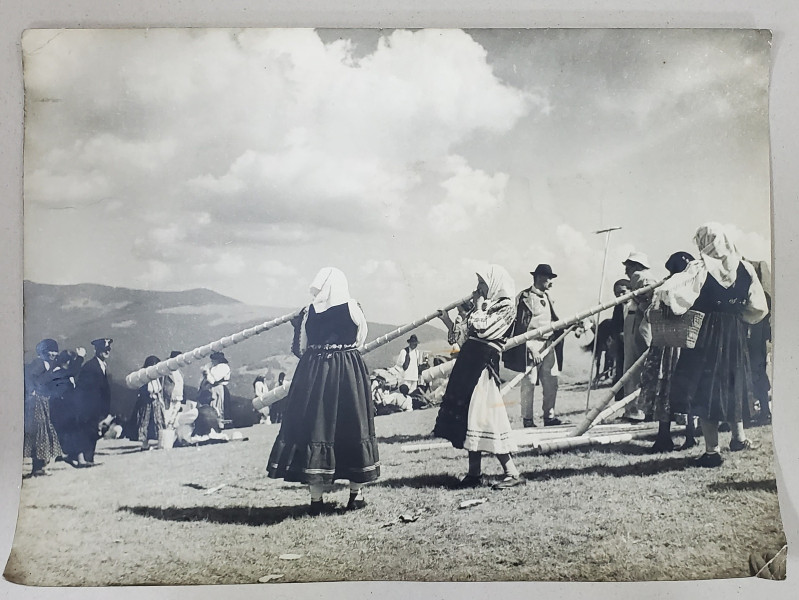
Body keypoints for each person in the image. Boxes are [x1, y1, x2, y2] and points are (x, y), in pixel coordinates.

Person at [655, 223, 768, 468]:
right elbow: (758, 307)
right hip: (735, 332)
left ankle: (712, 450)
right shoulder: (745, 268)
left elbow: (670, 292)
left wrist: (672, 305)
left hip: (706, 333)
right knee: (732, 383)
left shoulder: (700, 268)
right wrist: (737, 316)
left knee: (707, 387)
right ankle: (738, 438)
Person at [267, 267, 379, 514]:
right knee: (353, 425)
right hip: (348, 371)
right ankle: (355, 496)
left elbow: (300, 350)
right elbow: (360, 341)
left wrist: (297, 327)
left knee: (314, 427)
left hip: (315, 371)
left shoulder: (308, 312)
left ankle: (316, 502)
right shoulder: (353, 307)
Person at [433, 265, 522, 490]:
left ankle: (511, 472)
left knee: (485, 417)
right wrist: (447, 320)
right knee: (469, 417)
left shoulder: (507, 307)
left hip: (483, 367)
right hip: (469, 363)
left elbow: (484, 330)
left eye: (482, 283)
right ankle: (474, 473)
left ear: (494, 284)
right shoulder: (483, 307)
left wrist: (478, 307)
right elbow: (459, 338)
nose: (478, 288)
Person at [640, 251, 697, 452]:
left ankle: (665, 436)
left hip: (666, 347)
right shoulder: (693, 287)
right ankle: (690, 434)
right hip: (686, 345)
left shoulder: (664, 288)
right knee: (686, 388)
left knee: (664, 388)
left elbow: (649, 316)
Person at [503, 263, 564, 427]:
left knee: (551, 381)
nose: (551, 281)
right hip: (529, 345)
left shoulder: (548, 297)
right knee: (529, 383)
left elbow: (554, 320)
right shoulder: (524, 298)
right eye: (548, 278)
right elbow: (520, 327)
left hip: (549, 344)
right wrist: (530, 348)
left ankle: (549, 417)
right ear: (539, 278)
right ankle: (528, 420)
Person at [23, 339, 73, 476]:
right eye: (51, 351)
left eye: (55, 351)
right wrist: (33, 391)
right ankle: (39, 467)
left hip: (42, 402)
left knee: (42, 433)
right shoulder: (39, 363)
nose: (54, 354)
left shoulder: (45, 364)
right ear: (44, 352)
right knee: (41, 433)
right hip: (37, 403)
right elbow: (29, 378)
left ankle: (39, 466)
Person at [620, 252, 658, 420]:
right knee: (642, 365)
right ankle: (646, 408)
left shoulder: (639, 276)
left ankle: (635, 410)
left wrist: (642, 307)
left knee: (634, 367)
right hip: (643, 321)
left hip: (638, 321)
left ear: (636, 265)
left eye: (628, 266)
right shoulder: (649, 277)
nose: (626, 271)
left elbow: (647, 299)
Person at [74, 337, 113, 465]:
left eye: (108, 349)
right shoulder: (90, 366)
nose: (106, 352)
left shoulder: (101, 365)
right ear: (97, 350)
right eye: (103, 349)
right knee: (88, 432)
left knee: (93, 432)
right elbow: (83, 388)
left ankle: (89, 458)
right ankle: (85, 459)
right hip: (88, 407)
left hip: (97, 408)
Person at [48, 348, 87, 465]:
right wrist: (80, 357)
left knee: (72, 434)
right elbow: (73, 371)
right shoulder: (58, 372)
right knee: (75, 432)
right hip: (64, 410)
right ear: (68, 362)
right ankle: (79, 460)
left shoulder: (59, 372)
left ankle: (71, 456)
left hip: (65, 409)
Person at [747, 260, 772, 425]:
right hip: (756, 341)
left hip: (755, 342)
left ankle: (764, 410)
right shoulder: (764, 296)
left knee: (757, 375)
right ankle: (762, 410)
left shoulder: (761, 296)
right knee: (758, 375)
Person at [131, 355, 167, 451]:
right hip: (146, 404)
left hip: (155, 403)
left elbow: (159, 389)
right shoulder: (143, 376)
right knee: (145, 423)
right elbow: (142, 390)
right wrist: (149, 395)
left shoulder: (156, 377)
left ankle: (159, 442)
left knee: (157, 422)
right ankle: (144, 444)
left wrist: (160, 399)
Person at [204, 351, 231, 421]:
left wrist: (207, 372)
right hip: (214, 388)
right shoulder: (214, 367)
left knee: (219, 405)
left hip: (219, 388)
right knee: (213, 404)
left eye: (214, 359)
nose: (212, 361)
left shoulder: (223, 367)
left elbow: (214, 380)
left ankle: (219, 420)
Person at [162, 350, 184, 427]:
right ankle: (165, 429)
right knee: (167, 414)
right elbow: (164, 385)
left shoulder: (179, 372)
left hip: (178, 397)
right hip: (170, 397)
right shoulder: (167, 371)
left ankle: (170, 428)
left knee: (174, 415)